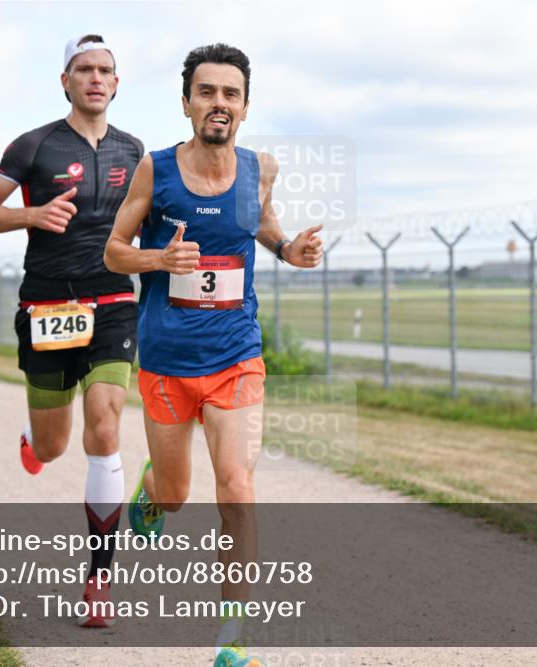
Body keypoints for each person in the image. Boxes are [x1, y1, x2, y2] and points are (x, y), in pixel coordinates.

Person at [104, 43, 322, 667]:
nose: (219, 104)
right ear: (187, 102)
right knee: (176, 494)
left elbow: (261, 222)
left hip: (236, 355)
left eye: (230, 94)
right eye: (207, 92)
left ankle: (232, 641)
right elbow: (114, 251)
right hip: (168, 362)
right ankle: (152, 493)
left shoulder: (262, 168)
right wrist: (157, 259)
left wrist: (288, 250)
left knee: (237, 488)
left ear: (245, 106)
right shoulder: (155, 170)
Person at [0, 34, 142, 628]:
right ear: (65, 81)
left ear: (117, 83)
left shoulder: (134, 150)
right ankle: (31, 438)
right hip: (47, 307)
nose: (96, 78)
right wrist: (32, 215)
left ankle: (98, 580)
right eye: (84, 69)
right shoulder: (34, 145)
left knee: (106, 426)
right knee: (53, 445)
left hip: (114, 302)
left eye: (105, 70)